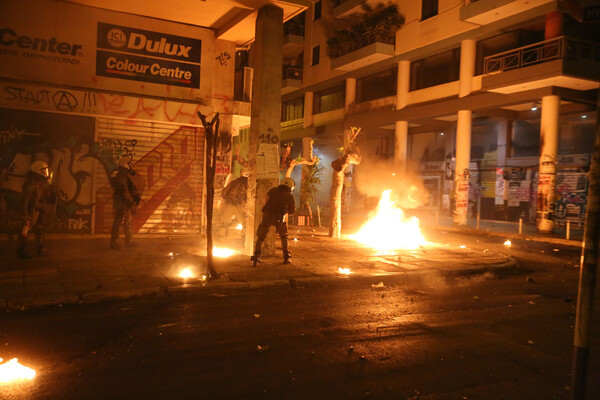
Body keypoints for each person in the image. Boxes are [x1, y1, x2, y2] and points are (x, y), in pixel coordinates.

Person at [251, 177, 296, 267]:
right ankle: (286, 257)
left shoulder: (272, 191)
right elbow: (292, 211)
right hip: (279, 217)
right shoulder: (289, 196)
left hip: (267, 215)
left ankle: (256, 256)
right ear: (290, 186)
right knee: (283, 237)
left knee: (260, 237)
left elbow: (266, 200)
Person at [17, 160, 53, 259]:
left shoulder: (39, 182)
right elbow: (25, 199)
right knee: (25, 231)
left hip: (38, 209)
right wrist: (24, 214)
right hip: (31, 210)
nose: (45, 172)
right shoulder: (31, 183)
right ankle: (22, 251)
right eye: (43, 170)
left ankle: (40, 248)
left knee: (40, 228)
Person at [109, 157, 141, 249]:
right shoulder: (121, 175)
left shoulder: (125, 174)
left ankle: (129, 241)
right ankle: (114, 242)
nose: (131, 166)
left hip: (125, 201)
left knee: (128, 221)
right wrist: (131, 201)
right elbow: (124, 190)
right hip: (121, 201)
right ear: (125, 165)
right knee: (118, 221)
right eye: (130, 164)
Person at [218, 168, 248, 236]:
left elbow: (223, 193)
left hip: (229, 205)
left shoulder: (234, 182)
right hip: (240, 206)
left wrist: (228, 200)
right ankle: (243, 240)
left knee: (223, 224)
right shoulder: (248, 185)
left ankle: (219, 239)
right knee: (245, 224)